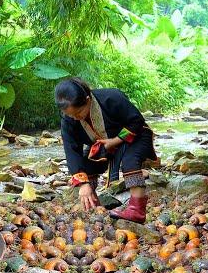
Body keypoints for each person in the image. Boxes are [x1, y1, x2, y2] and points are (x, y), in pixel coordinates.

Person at [55, 77, 157, 224]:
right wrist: (83, 184)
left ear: (88, 99)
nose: (75, 118)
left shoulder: (112, 98)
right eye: (70, 115)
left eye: (78, 113)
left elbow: (137, 122)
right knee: (85, 168)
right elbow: (72, 151)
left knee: (130, 161)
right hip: (103, 144)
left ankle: (137, 210)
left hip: (135, 135)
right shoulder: (69, 119)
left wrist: (115, 141)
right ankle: (95, 208)